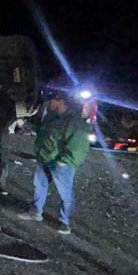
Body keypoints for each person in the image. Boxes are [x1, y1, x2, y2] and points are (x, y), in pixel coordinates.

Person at [18, 90, 91, 235]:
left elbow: (79, 146)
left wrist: (64, 161)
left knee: (65, 194)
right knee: (39, 185)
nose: (47, 104)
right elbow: (44, 132)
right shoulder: (52, 117)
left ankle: (65, 223)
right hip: (45, 157)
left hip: (60, 163)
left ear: (59, 101)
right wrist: (28, 126)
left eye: (50, 101)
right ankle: (36, 212)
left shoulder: (74, 121)